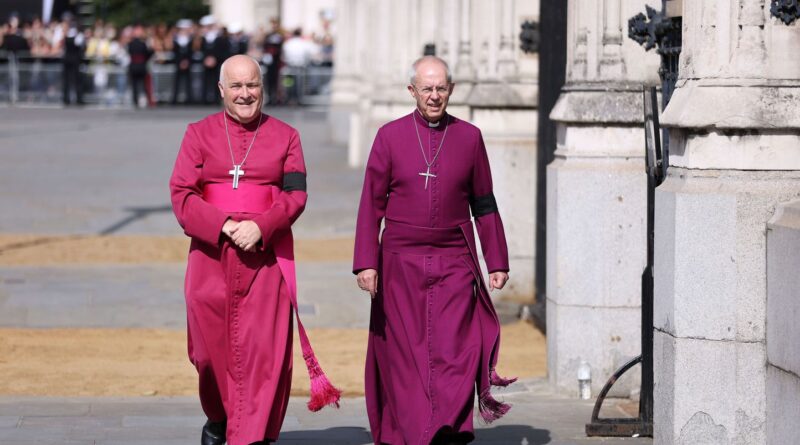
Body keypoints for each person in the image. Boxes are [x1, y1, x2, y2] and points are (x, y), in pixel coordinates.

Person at [169, 54, 340, 445]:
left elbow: (296, 194)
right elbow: (181, 193)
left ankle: (253, 435)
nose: (245, 94)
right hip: (211, 255)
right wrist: (225, 226)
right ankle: (220, 417)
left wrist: (261, 226)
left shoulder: (286, 136)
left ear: (263, 88)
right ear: (221, 90)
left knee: (264, 353)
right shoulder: (198, 133)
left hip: (265, 257)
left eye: (253, 86)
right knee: (208, 355)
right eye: (237, 86)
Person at [353, 56, 515, 445]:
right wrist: (365, 263)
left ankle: (450, 426)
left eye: (441, 87)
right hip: (400, 262)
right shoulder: (389, 136)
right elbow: (370, 204)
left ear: (451, 90)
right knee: (407, 356)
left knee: (457, 349)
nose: (434, 95)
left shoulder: (469, 137)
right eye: (426, 88)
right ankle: (413, 431)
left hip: (454, 259)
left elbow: (484, 202)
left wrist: (497, 260)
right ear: (412, 91)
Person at [127, 24, 153, 108]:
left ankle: (135, 101)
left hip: (133, 66)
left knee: (134, 85)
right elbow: (147, 55)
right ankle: (147, 100)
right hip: (141, 65)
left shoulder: (130, 44)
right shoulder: (143, 44)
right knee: (143, 84)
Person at [171, 19, 194, 105]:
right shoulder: (176, 39)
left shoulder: (191, 39)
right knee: (177, 81)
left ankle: (189, 99)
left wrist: (187, 61)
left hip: (187, 63)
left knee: (188, 81)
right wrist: (179, 62)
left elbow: (191, 52)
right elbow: (175, 53)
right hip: (178, 63)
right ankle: (174, 99)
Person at [261, 17, 284, 105]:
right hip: (269, 61)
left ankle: (276, 97)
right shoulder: (268, 36)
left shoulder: (280, 36)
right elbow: (265, 47)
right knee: (269, 80)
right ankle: (270, 97)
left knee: (276, 80)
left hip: (276, 61)